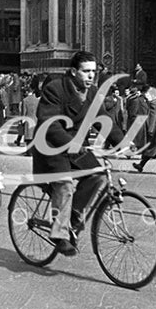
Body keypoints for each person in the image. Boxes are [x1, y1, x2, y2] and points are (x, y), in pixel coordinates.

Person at [31, 51, 104, 257]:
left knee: (98, 174)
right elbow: (50, 124)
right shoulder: (55, 89)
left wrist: (126, 141)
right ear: (73, 71)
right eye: (86, 71)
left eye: (94, 71)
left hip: (75, 148)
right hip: (51, 146)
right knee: (64, 184)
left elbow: (104, 118)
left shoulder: (92, 93)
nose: (91, 76)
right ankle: (59, 234)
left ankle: (72, 215)